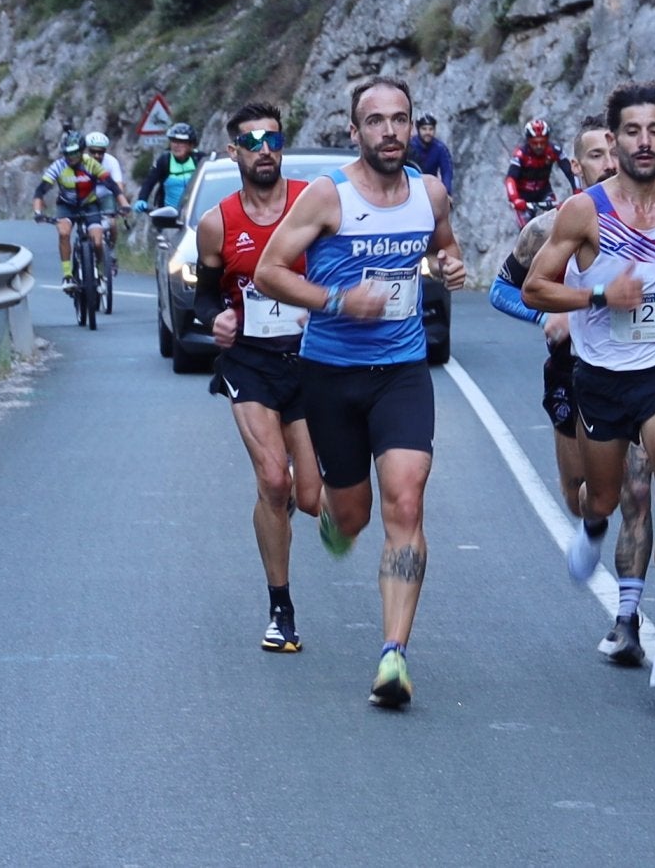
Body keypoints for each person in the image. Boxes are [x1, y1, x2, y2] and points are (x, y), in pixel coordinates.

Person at [253, 76, 465, 709]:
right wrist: (340, 300)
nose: (391, 131)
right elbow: (268, 272)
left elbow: (446, 251)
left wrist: (449, 267)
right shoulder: (328, 197)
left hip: (402, 370)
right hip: (331, 373)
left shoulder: (430, 193)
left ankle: (393, 655)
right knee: (353, 514)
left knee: (406, 502)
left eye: (400, 119)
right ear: (356, 131)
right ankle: (335, 524)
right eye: (376, 121)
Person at [522, 82, 655, 690]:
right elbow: (535, 287)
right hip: (602, 379)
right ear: (613, 139)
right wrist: (601, 296)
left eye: (654, 131)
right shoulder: (584, 212)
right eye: (630, 132)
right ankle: (591, 526)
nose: (643, 142)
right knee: (604, 498)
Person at [490, 115, 655, 666]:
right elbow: (500, 291)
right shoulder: (549, 228)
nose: (610, 161)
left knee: (638, 490)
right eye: (596, 155)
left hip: (639, 373)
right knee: (581, 492)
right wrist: (546, 320)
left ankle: (628, 620)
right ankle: (590, 524)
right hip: (573, 373)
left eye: (615, 151)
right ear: (576, 167)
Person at [194, 102, 324, 654]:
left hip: (313, 360)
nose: (265, 149)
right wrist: (215, 318)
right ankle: (281, 609)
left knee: (313, 500)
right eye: (253, 141)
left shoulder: (313, 203)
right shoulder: (217, 223)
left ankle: (294, 503)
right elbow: (203, 297)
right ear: (235, 152)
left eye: (273, 138)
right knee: (273, 480)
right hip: (249, 362)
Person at [32, 133, 131, 290]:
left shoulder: (91, 164)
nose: (72, 157)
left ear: (82, 151)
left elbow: (112, 185)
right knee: (64, 233)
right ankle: (67, 276)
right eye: (68, 154)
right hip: (67, 206)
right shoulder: (58, 166)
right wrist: (38, 212)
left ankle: (100, 273)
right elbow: (40, 191)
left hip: (89, 205)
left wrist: (124, 204)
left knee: (98, 241)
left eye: (75, 153)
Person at [505, 117, 578, 228]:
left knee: (556, 222)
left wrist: (577, 190)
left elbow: (570, 171)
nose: (539, 146)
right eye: (535, 143)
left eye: (542, 142)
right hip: (523, 197)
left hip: (544, 192)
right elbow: (510, 179)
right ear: (528, 142)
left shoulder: (554, 150)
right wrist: (515, 199)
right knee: (527, 231)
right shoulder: (520, 154)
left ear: (547, 140)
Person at [83, 131, 130, 265]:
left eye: (101, 152)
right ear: (87, 150)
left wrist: (121, 204)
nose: (97, 155)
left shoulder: (111, 162)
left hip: (106, 194)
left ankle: (111, 250)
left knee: (112, 223)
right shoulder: (81, 162)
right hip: (87, 196)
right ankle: (84, 249)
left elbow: (118, 185)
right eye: (93, 152)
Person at [134, 122, 200, 214]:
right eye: (173, 141)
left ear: (191, 145)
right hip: (170, 216)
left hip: (197, 214)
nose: (176, 145)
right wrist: (142, 199)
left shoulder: (199, 159)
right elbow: (149, 182)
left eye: (181, 142)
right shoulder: (164, 160)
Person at [406, 114, 455, 197]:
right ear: (418, 129)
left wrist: (446, 192)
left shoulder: (440, 148)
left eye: (431, 129)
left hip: (430, 188)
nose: (428, 132)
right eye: (424, 129)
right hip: (410, 188)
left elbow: (447, 171)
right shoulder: (410, 146)